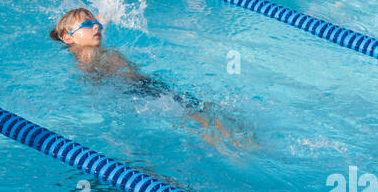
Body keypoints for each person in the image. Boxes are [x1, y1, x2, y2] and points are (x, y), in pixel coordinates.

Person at [49, 8, 237, 147]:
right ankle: (229, 149)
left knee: (207, 112)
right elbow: (87, 70)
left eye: (97, 24)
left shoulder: (89, 48)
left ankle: (231, 144)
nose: (96, 27)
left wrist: (101, 18)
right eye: (88, 25)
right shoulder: (87, 53)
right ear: (68, 38)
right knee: (202, 119)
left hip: (147, 87)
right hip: (140, 92)